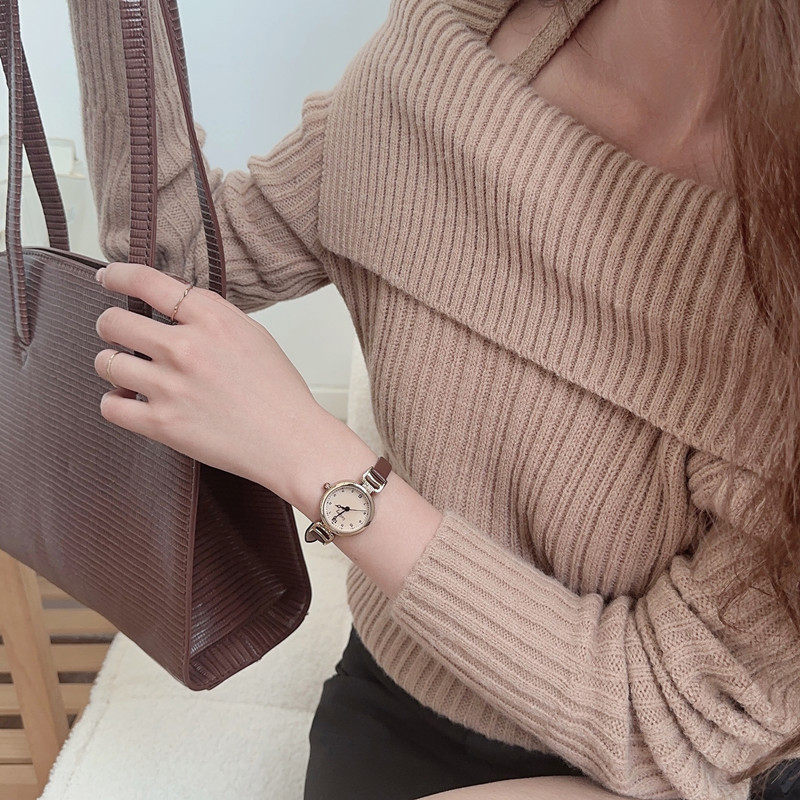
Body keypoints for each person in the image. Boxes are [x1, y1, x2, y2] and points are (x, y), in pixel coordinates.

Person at [66, 0, 800, 798]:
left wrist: (311, 457)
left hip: (670, 772)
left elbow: (667, 727)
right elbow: (180, 269)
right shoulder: (454, 43)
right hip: (401, 700)